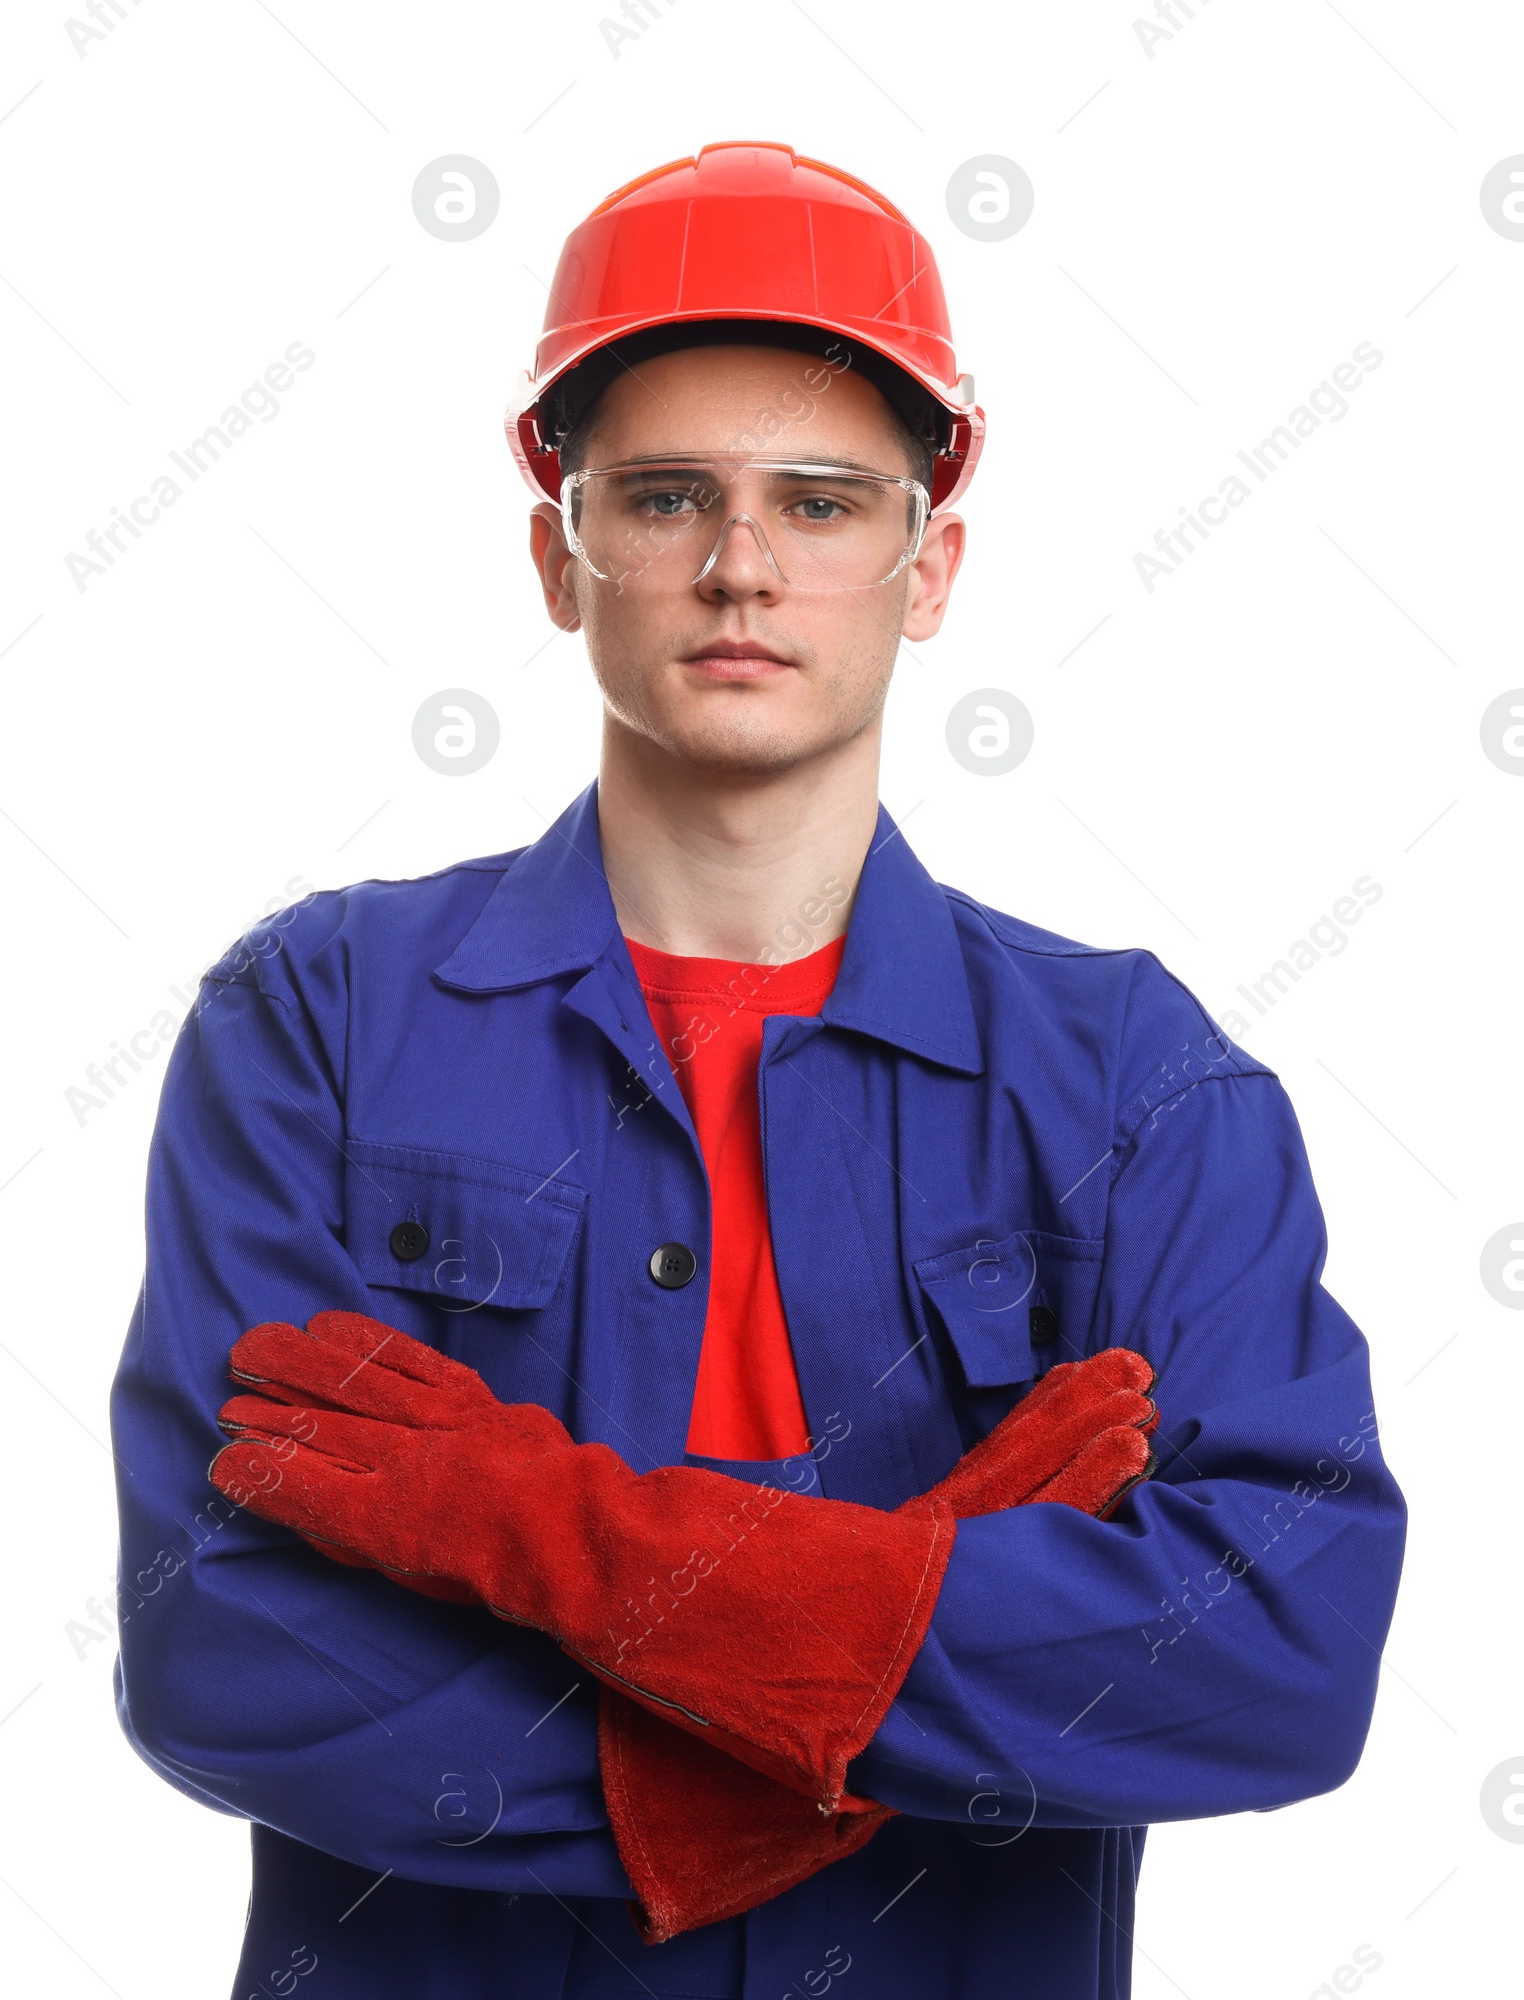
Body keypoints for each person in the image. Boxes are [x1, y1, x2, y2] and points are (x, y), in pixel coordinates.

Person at [109, 141, 1407, 2000]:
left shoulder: (1132, 1083)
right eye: (662, 499)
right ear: (561, 559)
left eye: (817, 502)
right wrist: (893, 1648)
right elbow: (218, 1645)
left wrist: (541, 1529)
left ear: (927, 566)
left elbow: (1278, 1648)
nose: (739, 567)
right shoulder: (316, 1018)